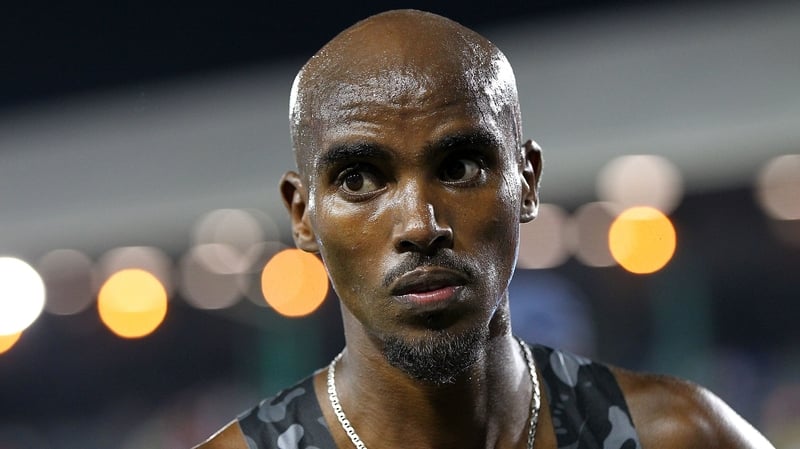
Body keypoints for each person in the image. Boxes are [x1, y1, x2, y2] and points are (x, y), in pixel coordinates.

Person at [194, 9, 774, 449]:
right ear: (302, 215)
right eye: (358, 180)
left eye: (460, 167)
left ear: (526, 182)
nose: (421, 226)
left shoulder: (676, 436)